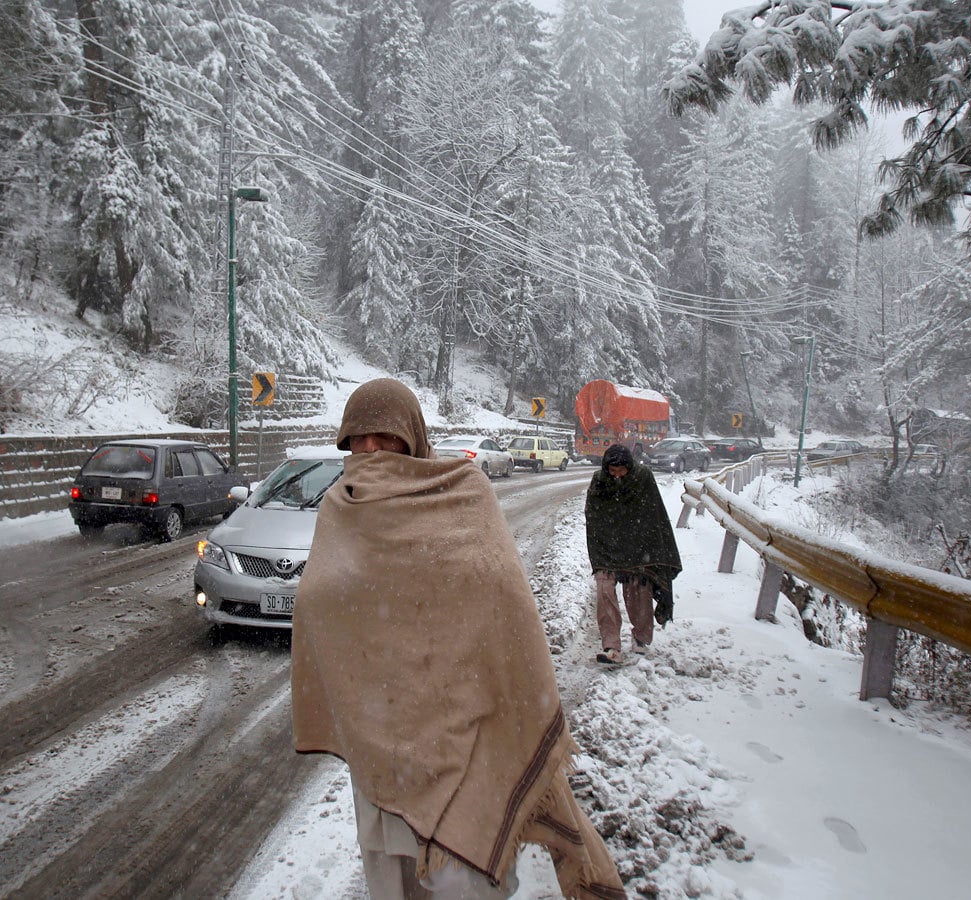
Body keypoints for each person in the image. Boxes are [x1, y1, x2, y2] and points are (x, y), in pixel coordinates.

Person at [291, 378, 624, 900]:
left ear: (414, 439)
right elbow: (318, 603)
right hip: (381, 746)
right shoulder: (341, 508)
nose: (370, 452)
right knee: (393, 877)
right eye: (358, 440)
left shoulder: (462, 492)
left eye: (385, 438)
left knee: (463, 876)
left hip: (463, 731)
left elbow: (500, 595)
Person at [585, 442, 682, 665]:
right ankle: (611, 646)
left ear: (630, 468)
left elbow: (653, 514)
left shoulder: (643, 478)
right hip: (607, 546)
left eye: (622, 471)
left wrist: (649, 547)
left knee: (638, 591)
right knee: (604, 590)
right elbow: (593, 515)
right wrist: (601, 545)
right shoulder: (600, 482)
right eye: (613, 471)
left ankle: (640, 638)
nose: (617, 476)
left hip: (638, 546)